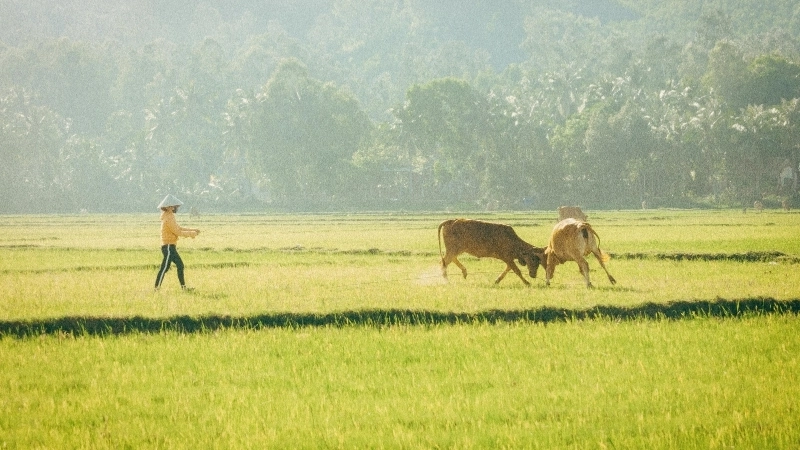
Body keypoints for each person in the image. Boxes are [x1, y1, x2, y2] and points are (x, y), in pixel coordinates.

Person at [154, 194, 200, 291]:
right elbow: (177, 232)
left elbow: (178, 228)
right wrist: (192, 234)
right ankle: (156, 288)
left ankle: (183, 288)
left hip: (171, 247)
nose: (177, 208)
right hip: (168, 247)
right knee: (164, 268)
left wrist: (193, 230)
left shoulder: (169, 216)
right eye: (176, 206)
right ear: (169, 207)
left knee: (180, 265)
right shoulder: (168, 218)